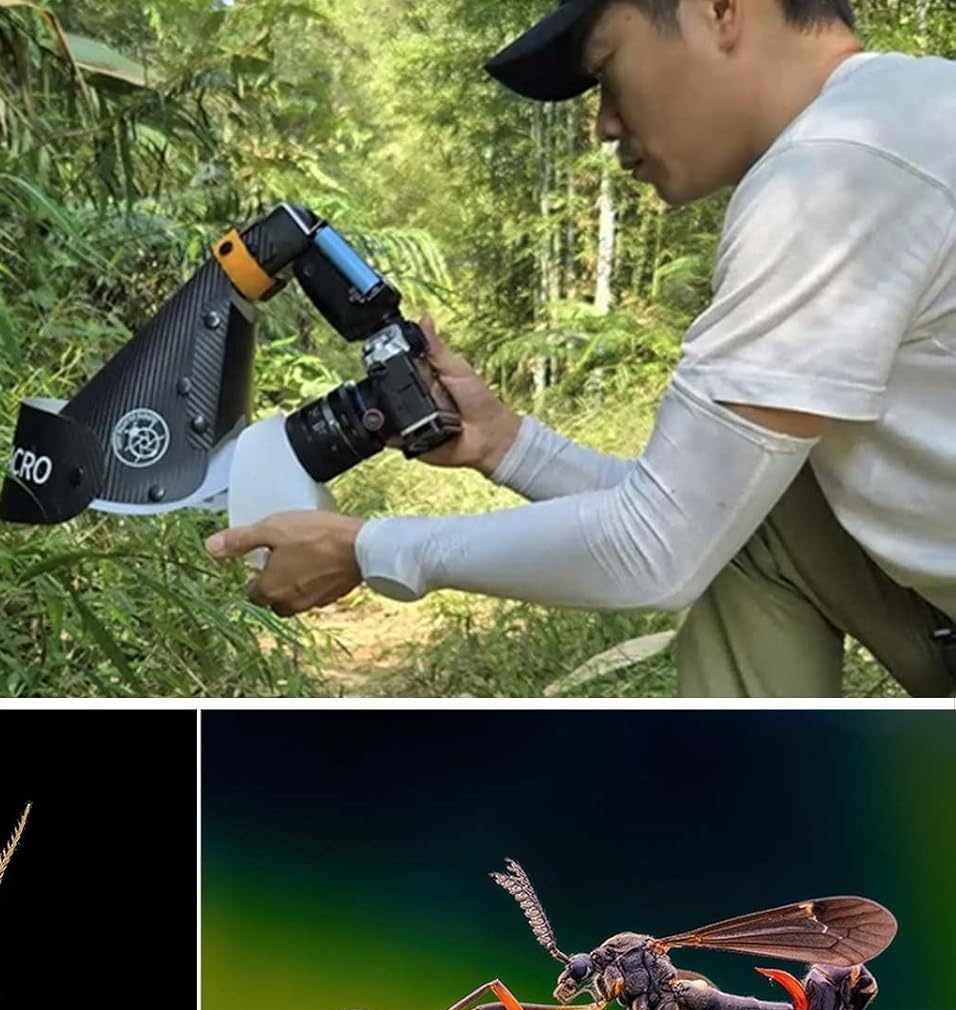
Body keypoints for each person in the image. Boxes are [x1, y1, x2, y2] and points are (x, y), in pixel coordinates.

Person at [206, 0, 956, 697]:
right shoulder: (903, 117)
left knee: (728, 532)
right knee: (749, 521)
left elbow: (659, 550)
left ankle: (747, 820)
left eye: (606, 69)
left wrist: (370, 547)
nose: (602, 124)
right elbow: (689, 514)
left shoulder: (838, 170)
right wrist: (503, 443)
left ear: (722, 9)